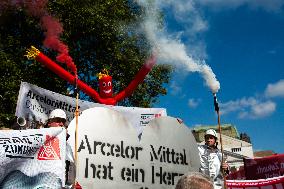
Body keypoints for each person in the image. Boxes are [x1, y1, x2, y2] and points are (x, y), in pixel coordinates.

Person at [46, 109, 81, 189]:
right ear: (49, 123)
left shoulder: (67, 146)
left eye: (63, 121)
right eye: (58, 120)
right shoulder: (38, 138)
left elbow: (70, 170)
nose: (61, 124)